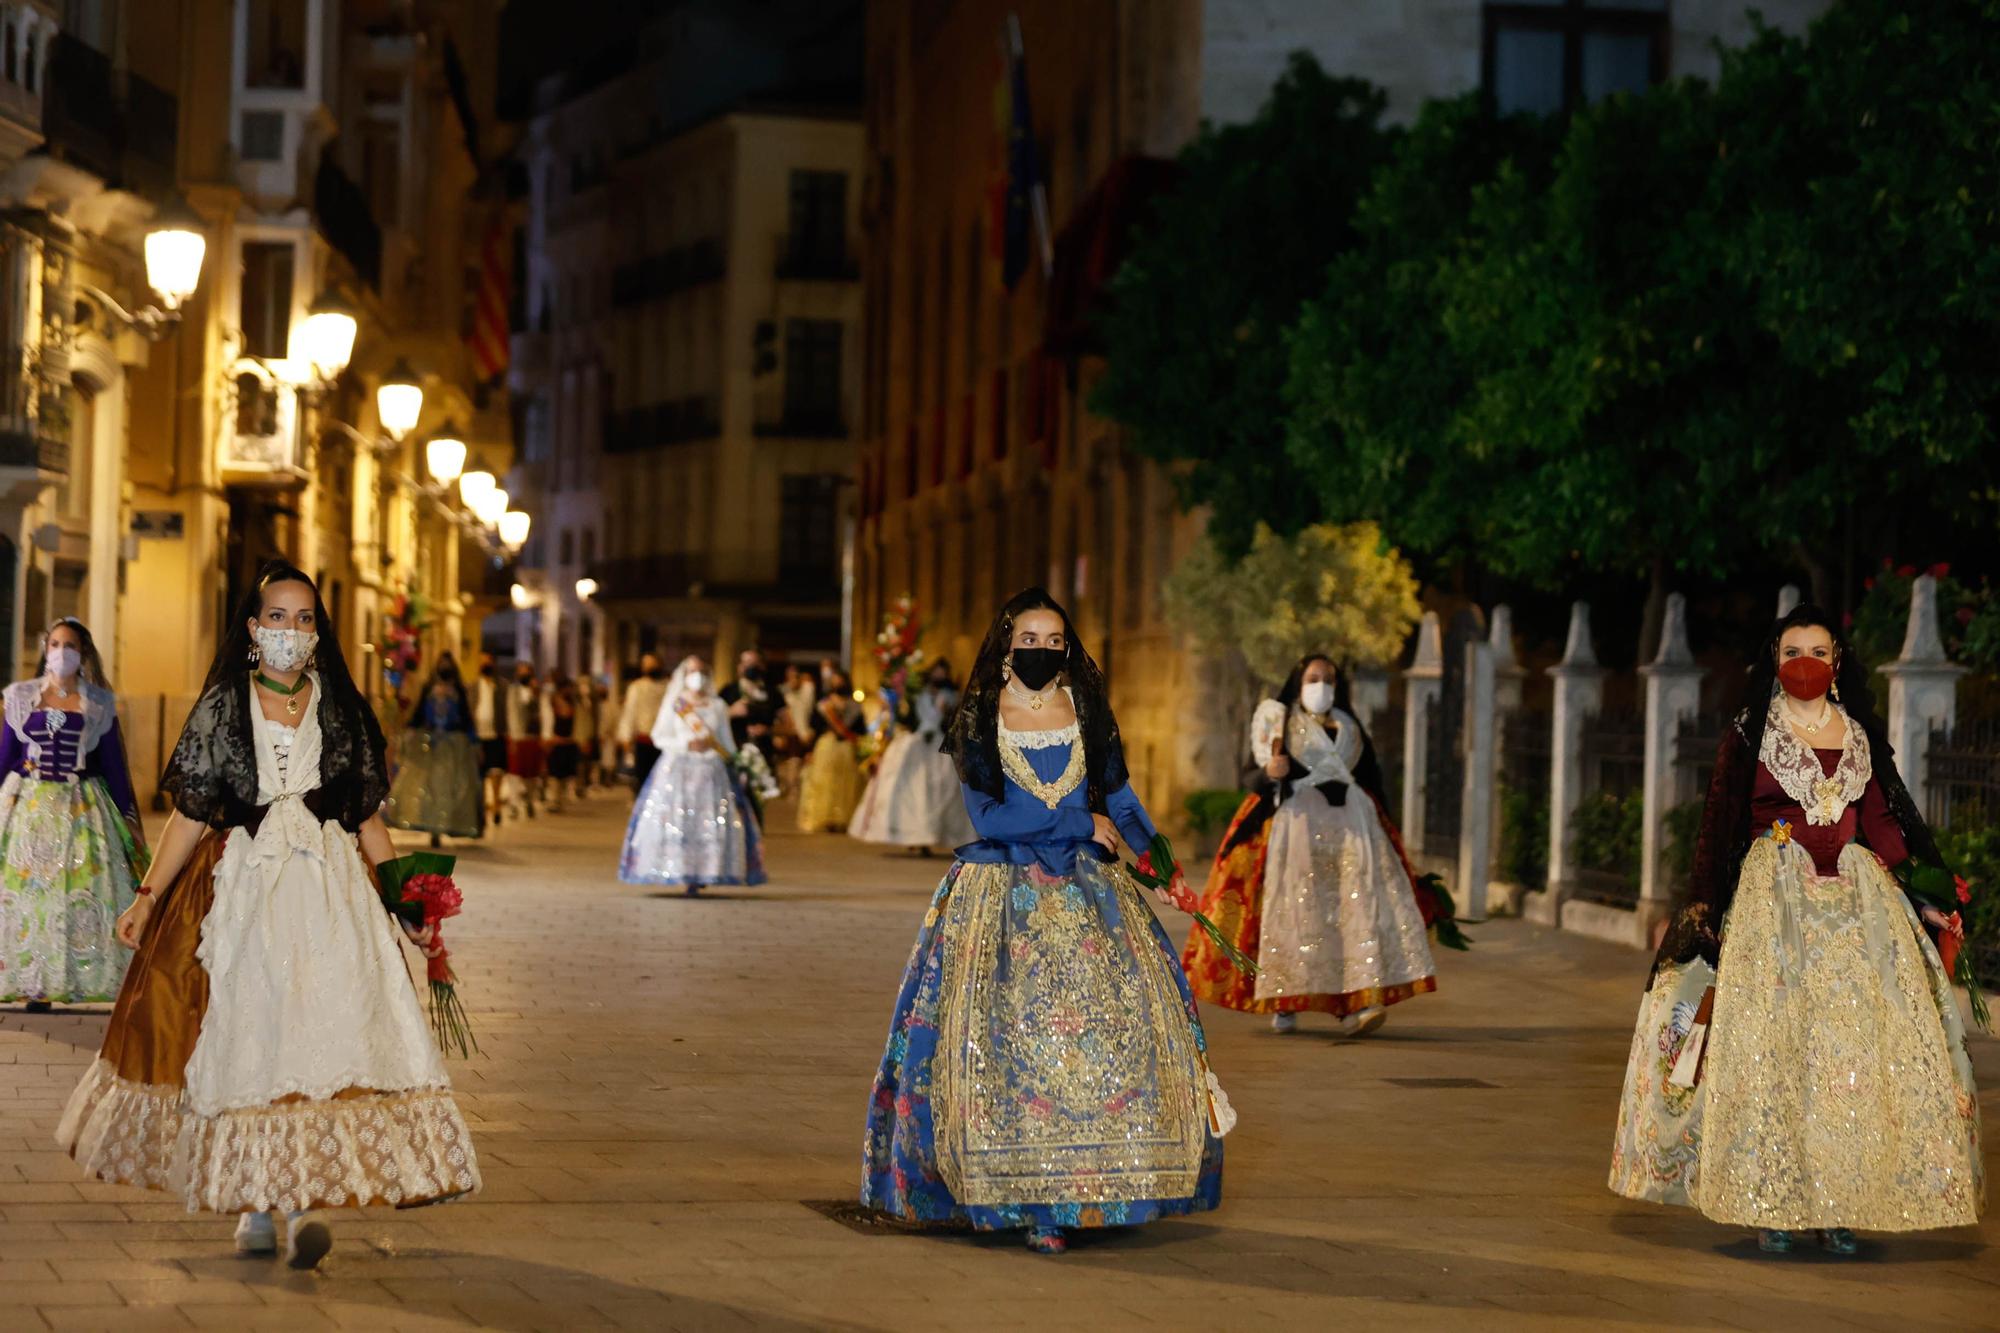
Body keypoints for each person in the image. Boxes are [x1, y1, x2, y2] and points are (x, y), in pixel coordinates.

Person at [56, 560, 479, 1269]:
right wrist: (147, 896)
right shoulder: (226, 704)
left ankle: (300, 1204)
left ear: (318, 633)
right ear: (254, 629)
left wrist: (411, 903)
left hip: (329, 896)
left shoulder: (339, 708)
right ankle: (254, 1206)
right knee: (252, 1034)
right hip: (244, 892)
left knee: (319, 1038)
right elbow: (190, 817)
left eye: (305, 618)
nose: (291, 630)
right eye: (277, 617)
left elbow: (368, 822)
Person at [861, 588, 1229, 1254]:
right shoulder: (978, 717)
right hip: (1000, 892)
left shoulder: (1084, 707)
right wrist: (1076, 821)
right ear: (1006, 643)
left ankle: (1096, 1188)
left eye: (1051, 640)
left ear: (1066, 647)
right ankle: (1028, 1201)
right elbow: (989, 818)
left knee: (1107, 1040)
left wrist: (1160, 863)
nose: (1038, 650)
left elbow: (1118, 796)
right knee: (1008, 1046)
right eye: (1026, 638)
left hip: (1090, 891)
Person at [1609, 604, 1982, 1255]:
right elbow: (1718, 825)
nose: (1804, 662)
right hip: (1772, 903)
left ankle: (1841, 1200)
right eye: (1790, 652)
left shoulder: (1859, 735)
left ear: (1836, 661)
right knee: (1774, 1049)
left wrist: (1927, 898)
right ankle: (1772, 1199)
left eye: (1816, 650)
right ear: (1773, 663)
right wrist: (1704, 907)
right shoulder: (1751, 733)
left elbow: (1884, 829)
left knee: (1850, 1054)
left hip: (1855, 909)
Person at [1183, 655, 1438, 1036]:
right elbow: (1252, 777)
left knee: (1357, 910)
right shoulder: (1281, 723)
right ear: (1299, 683)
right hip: (1298, 828)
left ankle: (1363, 999)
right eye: (1314, 678)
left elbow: (1372, 779)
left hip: (1352, 828)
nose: (1322, 686)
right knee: (1296, 913)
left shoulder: (1351, 728)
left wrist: (1391, 834)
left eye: (1329, 679)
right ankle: (1284, 1001)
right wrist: (1270, 773)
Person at [0, 618, 146, 1010]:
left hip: (81, 810)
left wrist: (128, 819)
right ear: (46, 649)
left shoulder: (98, 704)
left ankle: (72, 975)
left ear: (83, 656)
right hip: (29, 811)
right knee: (30, 894)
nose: (62, 651)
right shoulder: (20, 697)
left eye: (71, 645)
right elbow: (6, 757)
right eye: (56, 644)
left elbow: (113, 766)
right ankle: (34, 981)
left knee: (77, 892)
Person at [620, 655, 765, 894]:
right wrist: (686, 744)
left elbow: (726, 742)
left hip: (710, 773)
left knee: (708, 821)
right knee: (679, 820)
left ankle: (705, 869)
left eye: (701, 671)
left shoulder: (717, 705)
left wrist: (739, 761)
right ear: (683, 676)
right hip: (678, 771)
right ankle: (681, 869)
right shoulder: (676, 704)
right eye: (691, 672)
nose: (696, 677)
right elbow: (659, 736)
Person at [848, 660, 975, 854]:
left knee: (941, 789)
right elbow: (906, 718)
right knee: (913, 790)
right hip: (917, 743)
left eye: (943, 673)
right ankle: (912, 836)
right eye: (936, 673)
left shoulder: (951, 696)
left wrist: (947, 715)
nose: (939, 677)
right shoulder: (916, 695)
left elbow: (956, 720)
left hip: (939, 743)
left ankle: (930, 836)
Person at [385, 652, 483, 843]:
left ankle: (444, 826)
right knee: (427, 787)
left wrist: (474, 742)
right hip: (429, 745)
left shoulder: (459, 691)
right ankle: (431, 827)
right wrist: (411, 730)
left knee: (450, 787)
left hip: (452, 745)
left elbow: (466, 719)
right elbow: (419, 714)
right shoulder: (428, 689)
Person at [796, 667, 863, 832]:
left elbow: (860, 729)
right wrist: (808, 751)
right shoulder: (824, 704)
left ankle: (843, 819)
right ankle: (826, 818)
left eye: (840, 680)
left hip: (846, 748)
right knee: (823, 782)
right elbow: (816, 728)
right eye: (834, 681)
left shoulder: (854, 706)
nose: (837, 683)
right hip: (826, 747)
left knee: (846, 784)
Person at [617, 653, 670, 793]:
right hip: (644, 741)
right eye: (646, 665)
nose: (650, 667)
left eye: (653, 664)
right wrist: (626, 737)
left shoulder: (670, 687)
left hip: (665, 743)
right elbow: (630, 713)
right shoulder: (636, 687)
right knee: (642, 781)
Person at [470, 653, 509, 827]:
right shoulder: (472, 686)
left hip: (496, 734)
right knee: (479, 774)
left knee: (496, 771)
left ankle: (497, 806)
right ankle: (482, 810)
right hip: (478, 736)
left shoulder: (501, 686)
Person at [719, 649, 779, 757]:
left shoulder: (772, 692)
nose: (750, 667)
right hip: (735, 751)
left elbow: (787, 723)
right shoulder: (727, 691)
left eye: (754, 663)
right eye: (746, 663)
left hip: (764, 753)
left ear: (761, 666)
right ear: (739, 667)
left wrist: (768, 730)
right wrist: (731, 712)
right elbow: (713, 720)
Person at [505, 661, 543, 818]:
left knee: (531, 774)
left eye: (526, 672)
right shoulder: (512, 691)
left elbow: (542, 713)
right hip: (517, 736)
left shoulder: (537, 692)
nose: (523, 675)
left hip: (533, 736)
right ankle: (513, 804)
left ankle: (529, 801)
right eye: (520, 672)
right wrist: (512, 736)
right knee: (514, 773)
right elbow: (510, 712)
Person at [545, 672, 580, 812]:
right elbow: (548, 721)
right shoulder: (552, 702)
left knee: (565, 774)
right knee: (554, 774)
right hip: (556, 743)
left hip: (569, 743)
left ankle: (561, 799)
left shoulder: (573, 703)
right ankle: (554, 800)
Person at [574, 676, 601, 794]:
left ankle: (585, 783)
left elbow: (595, 719)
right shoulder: (575, 702)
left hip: (590, 735)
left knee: (588, 761)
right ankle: (578, 784)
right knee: (578, 762)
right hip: (578, 736)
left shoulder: (594, 703)